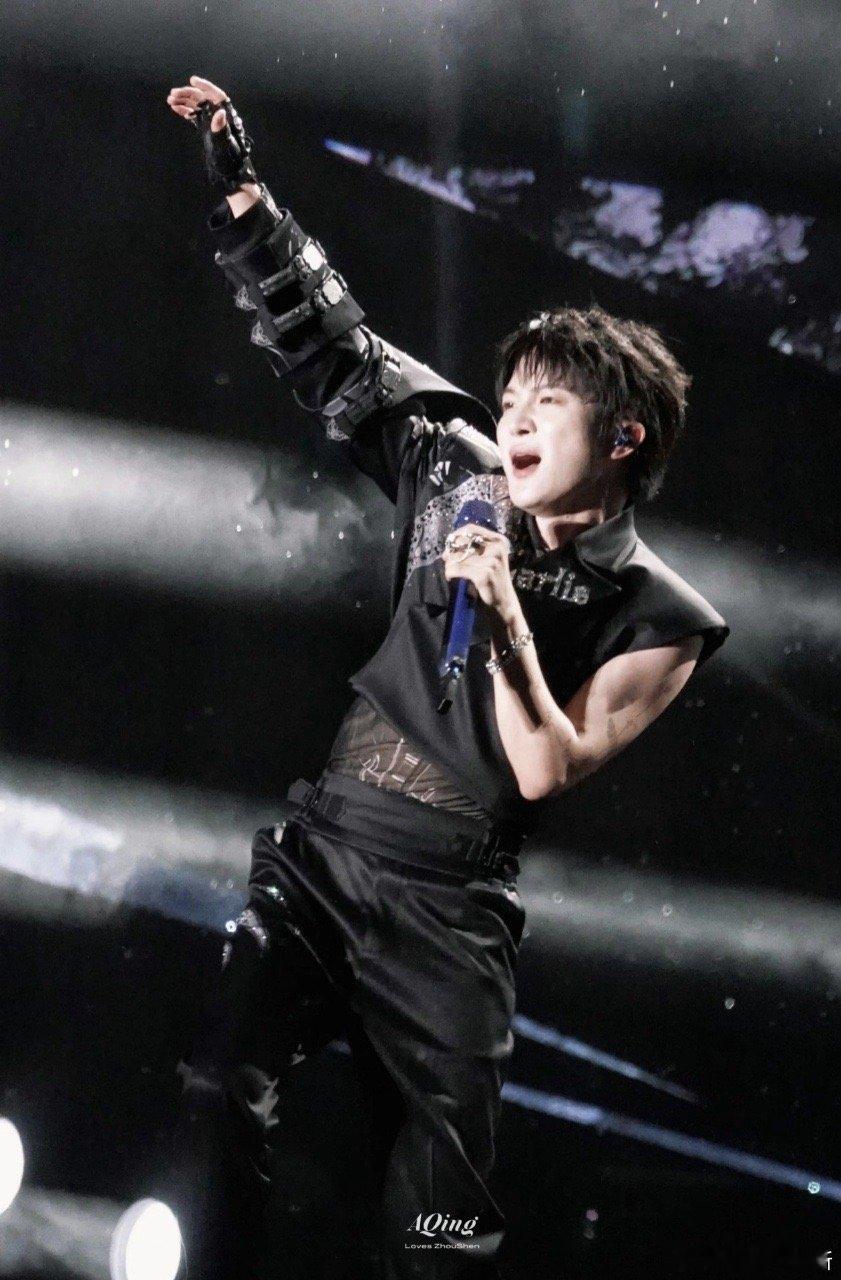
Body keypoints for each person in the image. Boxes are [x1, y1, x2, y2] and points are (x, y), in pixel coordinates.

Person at [163, 76, 728, 1280]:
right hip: (328, 851)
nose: (512, 420)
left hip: (449, 909)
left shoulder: (663, 615)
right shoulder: (450, 465)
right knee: (216, 1081)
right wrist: (250, 201)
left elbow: (546, 765)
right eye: (510, 398)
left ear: (622, 436)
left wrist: (507, 615)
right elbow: (340, 349)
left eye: (547, 404)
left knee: (439, 1220)